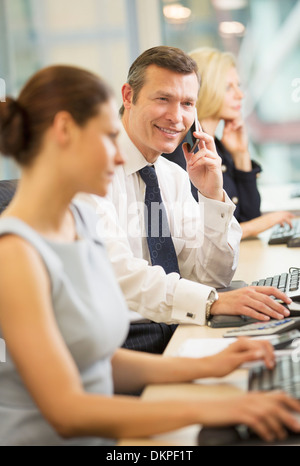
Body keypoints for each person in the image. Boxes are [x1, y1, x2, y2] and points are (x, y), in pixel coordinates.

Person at [1, 65, 299, 446]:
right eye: (110, 137)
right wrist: (217, 407)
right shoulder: (14, 255)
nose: (121, 156)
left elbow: (97, 361)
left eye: (187, 102)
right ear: (64, 131)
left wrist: (210, 366)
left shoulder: (76, 222)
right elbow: (68, 413)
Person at [80, 46, 292, 354]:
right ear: (128, 96)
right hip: (122, 344)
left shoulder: (171, 175)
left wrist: (212, 197)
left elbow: (212, 275)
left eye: (187, 103)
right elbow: (120, 274)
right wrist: (211, 302)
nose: (177, 117)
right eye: (163, 99)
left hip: (173, 328)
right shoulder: (93, 172)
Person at [163, 47, 294, 239]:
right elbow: (198, 233)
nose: (240, 95)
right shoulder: (184, 150)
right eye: (228, 87)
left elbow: (249, 215)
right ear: (203, 91)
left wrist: (241, 154)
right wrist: (262, 223)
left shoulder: (217, 147)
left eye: (238, 86)